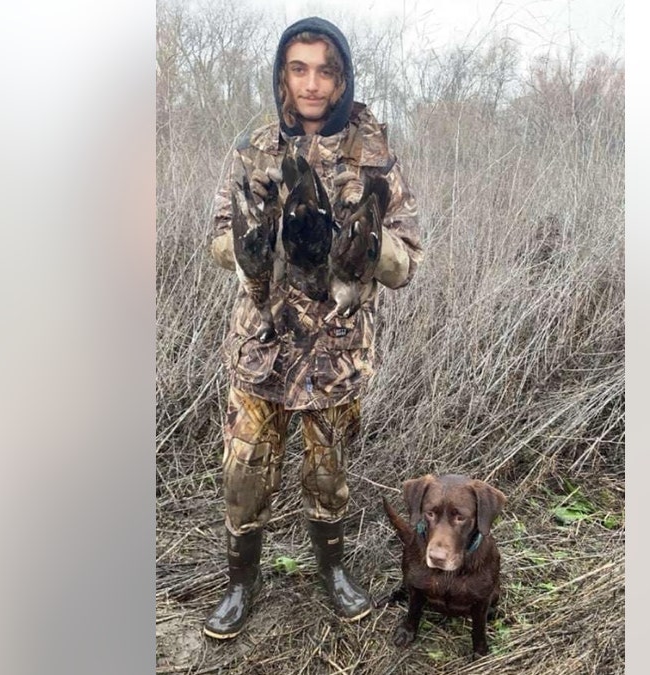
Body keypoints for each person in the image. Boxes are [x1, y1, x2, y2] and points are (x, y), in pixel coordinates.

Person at [202, 17, 424, 640]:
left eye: (325, 70)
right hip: (262, 345)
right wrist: (253, 241)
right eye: (298, 69)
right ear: (282, 74)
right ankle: (241, 584)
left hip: (336, 350)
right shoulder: (253, 148)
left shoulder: (374, 154)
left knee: (329, 473)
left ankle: (333, 572)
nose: (312, 83)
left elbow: (408, 261)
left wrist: (368, 245)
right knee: (244, 472)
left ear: (342, 77)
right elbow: (217, 237)